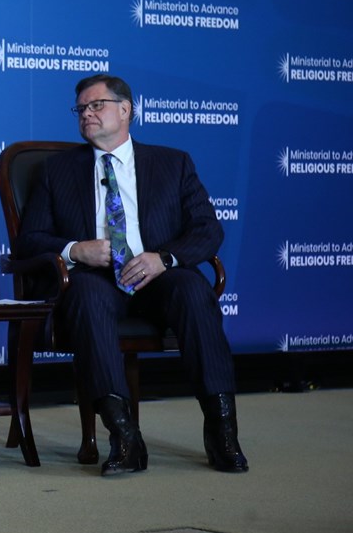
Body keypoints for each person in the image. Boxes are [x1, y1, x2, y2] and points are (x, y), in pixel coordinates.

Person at [14, 73, 248, 476]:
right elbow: (28, 241)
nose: (86, 114)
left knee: (194, 289)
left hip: (156, 275)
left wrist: (165, 259)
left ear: (126, 110)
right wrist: (75, 249)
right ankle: (124, 436)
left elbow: (209, 229)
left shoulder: (173, 163)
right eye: (81, 109)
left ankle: (222, 430)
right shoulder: (57, 171)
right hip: (94, 278)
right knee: (86, 297)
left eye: (96, 105)